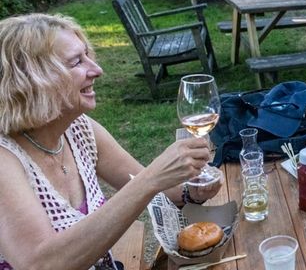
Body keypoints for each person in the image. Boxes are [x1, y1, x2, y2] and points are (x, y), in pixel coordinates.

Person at [0, 14, 220, 269]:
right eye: (76, 62)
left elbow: (158, 193)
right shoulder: (6, 159)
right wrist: (151, 179)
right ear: (31, 81)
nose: (97, 70)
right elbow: (40, 264)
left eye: (87, 56)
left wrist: (190, 190)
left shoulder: (79, 131)